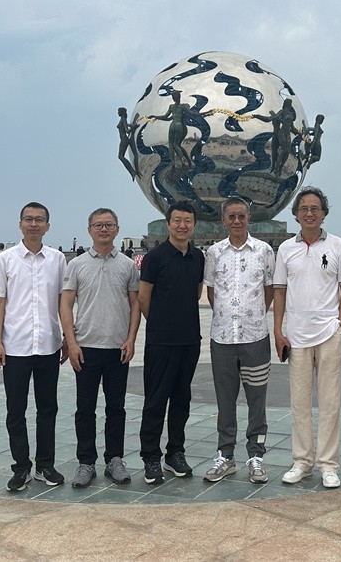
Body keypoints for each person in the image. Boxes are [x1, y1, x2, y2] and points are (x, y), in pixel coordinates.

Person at [273, 187, 341, 489]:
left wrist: (339, 324)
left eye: (315, 208)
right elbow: (279, 291)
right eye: (304, 208)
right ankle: (302, 461)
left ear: (323, 213)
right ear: (296, 214)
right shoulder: (286, 249)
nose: (309, 213)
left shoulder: (337, 245)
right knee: (299, 402)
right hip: (296, 335)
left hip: (328, 332)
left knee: (330, 401)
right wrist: (278, 330)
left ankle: (328, 465)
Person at [0, 202, 68, 491]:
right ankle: (21, 467)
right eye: (29, 219)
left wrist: (67, 338)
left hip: (48, 345)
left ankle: (45, 465)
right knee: (15, 410)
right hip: (15, 347)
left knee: (48, 408)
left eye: (39, 220)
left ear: (48, 226)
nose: (34, 224)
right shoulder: (5, 260)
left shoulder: (58, 259)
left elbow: (63, 302)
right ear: (20, 224)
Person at [61, 208, 141, 488]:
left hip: (118, 348)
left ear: (117, 229)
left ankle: (114, 459)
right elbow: (66, 305)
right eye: (98, 225)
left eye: (109, 225)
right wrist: (71, 342)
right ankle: (86, 462)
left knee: (116, 407)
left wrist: (131, 339)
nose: (104, 229)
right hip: (86, 347)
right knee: (85, 408)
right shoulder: (77, 265)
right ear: (89, 230)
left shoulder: (128, 265)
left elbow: (135, 304)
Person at [202, 198, 275, 484]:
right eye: (231, 216)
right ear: (223, 220)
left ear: (249, 218)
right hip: (222, 338)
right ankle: (226, 455)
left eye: (241, 216)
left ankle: (256, 456)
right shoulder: (214, 253)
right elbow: (211, 293)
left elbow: (269, 290)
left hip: (255, 338)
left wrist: (252, 315)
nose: (236, 221)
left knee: (257, 400)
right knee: (225, 401)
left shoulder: (264, 251)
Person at [137, 200, 204, 484]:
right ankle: (150, 457)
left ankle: (175, 452)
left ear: (194, 225)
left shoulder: (198, 257)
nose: (182, 225)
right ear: (168, 224)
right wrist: (161, 324)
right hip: (161, 342)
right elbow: (144, 298)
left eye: (187, 221)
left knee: (181, 400)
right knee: (155, 401)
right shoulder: (154, 258)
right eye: (177, 220)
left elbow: (196, 292)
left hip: (189, 341)